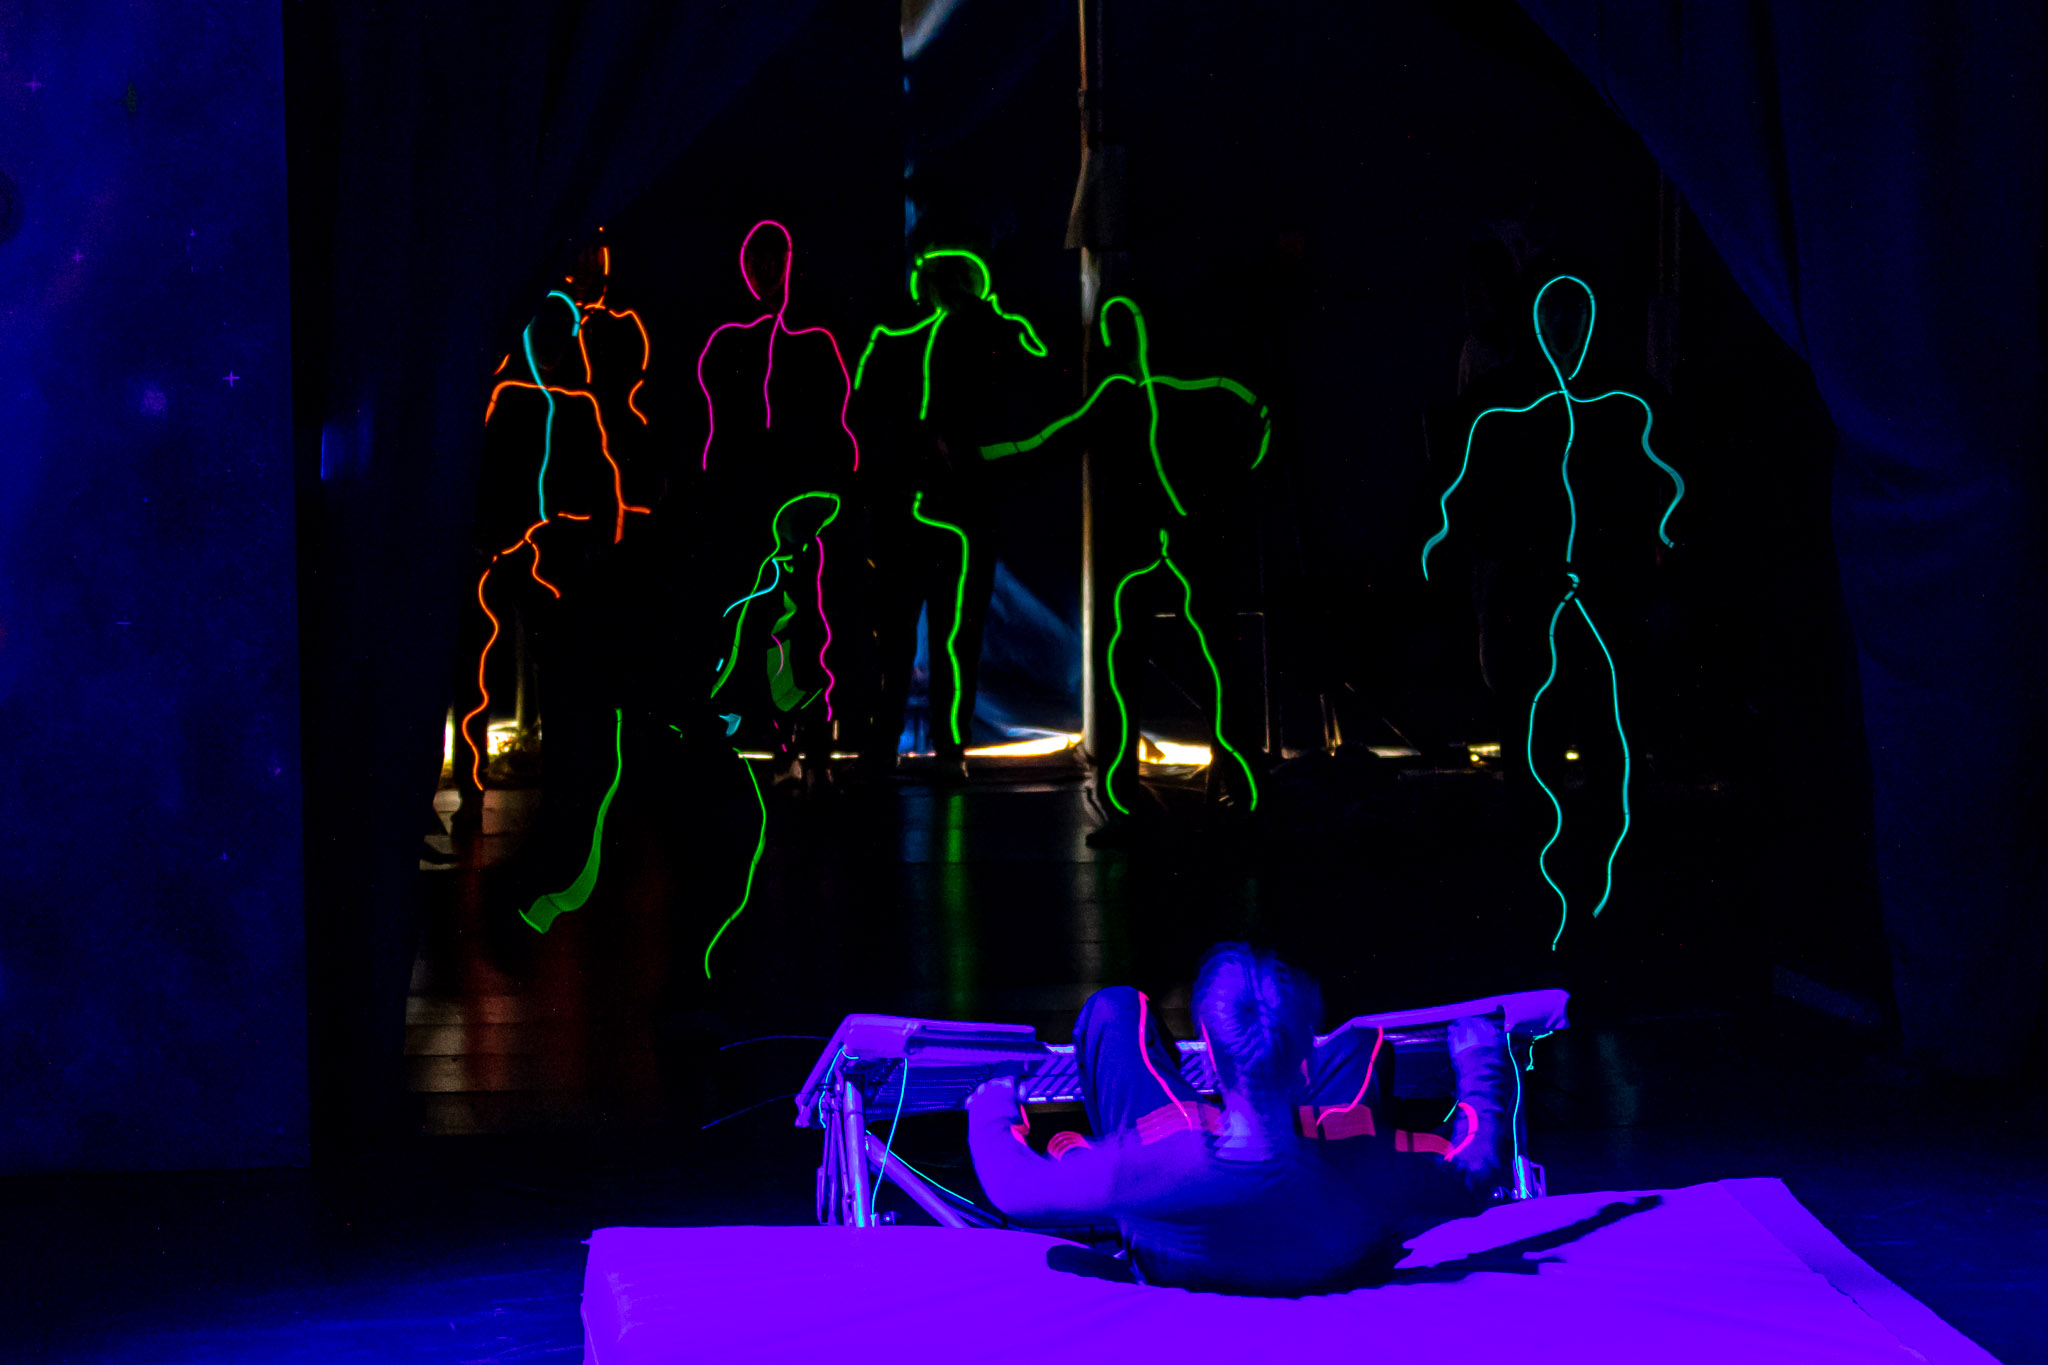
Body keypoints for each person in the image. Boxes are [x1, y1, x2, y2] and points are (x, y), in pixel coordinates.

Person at [965, 944, 1518, 1296]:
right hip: (1324, 1231)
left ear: (1208, 1047)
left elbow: (1014, 1189)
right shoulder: (1366, 1163)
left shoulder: (1154, 1163)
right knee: (1359, 1047)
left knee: (1116, 1010)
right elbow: (1479, 1169)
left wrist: (992, 1103)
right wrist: (1480, 1062)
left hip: (1181, 1232)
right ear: (1304, 1058)